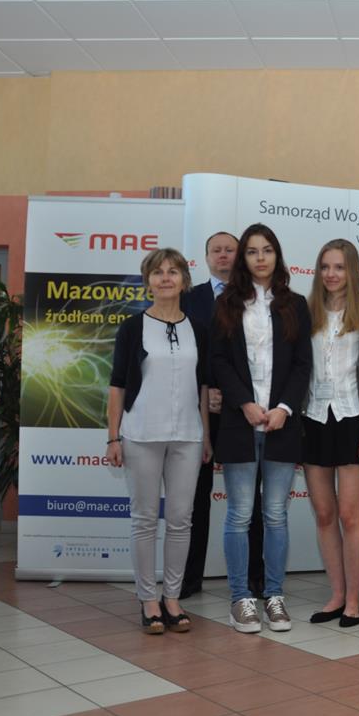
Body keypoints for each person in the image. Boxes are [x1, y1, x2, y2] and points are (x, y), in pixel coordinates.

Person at [210, 224, 311, 634]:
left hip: (282, 424)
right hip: (240, 422)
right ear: (243, 259)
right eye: (252, 251)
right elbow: (218, 361)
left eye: (267, 250)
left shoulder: (295, 304)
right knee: (239, 515)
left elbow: (303, 363)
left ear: (277, 255)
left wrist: (284, 407)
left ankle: (274, 596)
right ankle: (241, 599)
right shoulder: (226, 305)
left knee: (275, 515)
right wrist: (245, 403)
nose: (260, 258)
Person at [107, 248, 210, 634]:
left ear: (184, 280)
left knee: (181, 520)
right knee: (145, 520)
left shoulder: (199, 329)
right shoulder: (132, 328)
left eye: (173, 272)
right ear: (147, 281)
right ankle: (148, 599)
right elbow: (117, 386)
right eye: (157, 272)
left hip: (187, 437)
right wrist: (113, 437)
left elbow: (203, 387)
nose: (165, 278)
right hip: (141, 435)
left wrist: (206, 435)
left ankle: (172, 597)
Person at [304, 238, 359, 627]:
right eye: (325, 267)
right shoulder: (305, 313)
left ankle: (354, 600)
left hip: (353, 418)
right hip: (312, 419)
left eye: (338, 267)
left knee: (351, 514)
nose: (331, 274)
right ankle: (336, 595)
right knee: (324, 514)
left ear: (352, 270)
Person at [180, 231, 265, 601]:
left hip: (243, 409)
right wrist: (205, 392)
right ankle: (189, 577)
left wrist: (231, 395)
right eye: (216, 250)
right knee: (194, 497)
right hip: (197, 409)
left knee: (250, 499)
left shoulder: (256, 298)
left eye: (231, 250)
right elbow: (183, 355)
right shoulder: (188, 299)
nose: (224, 255)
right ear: (206, 257)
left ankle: (256, 577)